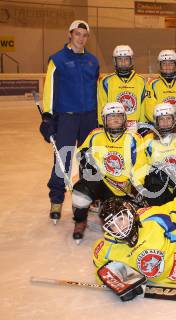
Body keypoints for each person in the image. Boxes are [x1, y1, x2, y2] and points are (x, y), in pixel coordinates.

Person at [39, 20, 99, 223]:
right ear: (70, 35)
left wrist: (99, 119)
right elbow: (50, 89)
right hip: (66, 117)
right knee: (62, 160)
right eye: (77, 34)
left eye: (84, 35)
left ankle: (87, 198)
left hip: (89, 117)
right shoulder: (58, 60)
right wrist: (48, 116)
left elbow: (97, 92)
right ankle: (56, 200)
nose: (81, 38)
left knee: (88, 160)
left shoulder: (93, 61)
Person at [71, 102, 146, 243]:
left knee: (120, 222)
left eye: (118, 116)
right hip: (102, 183)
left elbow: (141, 166)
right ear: (104, 120)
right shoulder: (95, 135)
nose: (115, 120)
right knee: (81, 192)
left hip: (123, 189)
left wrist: (137, 189)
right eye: (111, 117)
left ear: (124, 119)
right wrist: (85, 160)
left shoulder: (134, 138)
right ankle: (80, 221)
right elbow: (81, 151)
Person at [142, 103, 176, 206]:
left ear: (174, 120)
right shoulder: (147, 140)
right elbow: (144, 165)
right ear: (156, 122)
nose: (165, 123)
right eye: (161, 119)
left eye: (168, 119)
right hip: (159, 186)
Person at [98, 45, 148, 132]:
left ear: (131, 61)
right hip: (113, 125)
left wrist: (143, 125)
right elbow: (102, 104)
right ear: (115, 61)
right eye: (120, 59)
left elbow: (144, 104)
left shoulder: (141, 81)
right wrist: (102, 124)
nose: (123, 62)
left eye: (126, 59)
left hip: (135, 127)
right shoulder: (106, 81)